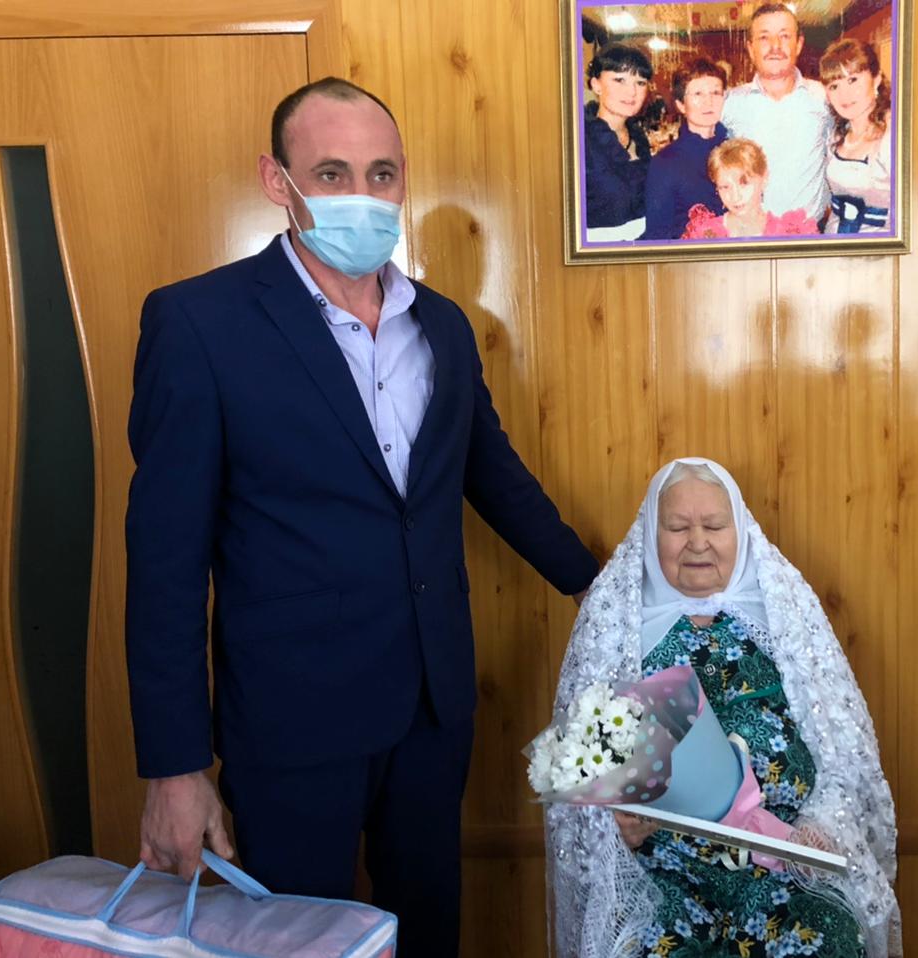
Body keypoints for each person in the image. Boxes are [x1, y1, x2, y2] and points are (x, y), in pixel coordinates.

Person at [125, 76, 599, 958]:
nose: (362, 196)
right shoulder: (198, 323)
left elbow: (493, 477)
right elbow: (164, 565)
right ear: (278, 181)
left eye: (381, 174)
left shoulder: (443, 326)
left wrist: (598, 585)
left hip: (432, 706)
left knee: (428, 931)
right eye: (332, 174)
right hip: (291, 720)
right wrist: (175, 765)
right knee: (291, 944)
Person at [546, 458, 901, 958]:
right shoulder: (615, 628)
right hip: (663, 874)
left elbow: (846, 759)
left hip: (781, 864)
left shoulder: (786, 614)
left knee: (829, 939)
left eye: (713, 526)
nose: (697, 542)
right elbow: (578, 790)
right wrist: (616, 827)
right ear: (651, 535)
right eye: (677, 528)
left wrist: (820, 828)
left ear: (741, 532)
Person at [721, 3, 832, 229]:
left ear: (798, 44)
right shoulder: (729, 103)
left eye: (784, 36)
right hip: (751, 235)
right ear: (750, 48)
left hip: (811, 235)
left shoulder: (824, 97)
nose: (775, 46)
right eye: (764, 37)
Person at [641, 58, 729, 240]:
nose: (709, 102)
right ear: (681, 105)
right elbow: (657, 234)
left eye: (715, 92)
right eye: (698, 94)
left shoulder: (735, 150)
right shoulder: (665, 163)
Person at [820, 38, 894, 234]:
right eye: (834, 86)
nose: (844, 94)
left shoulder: (893, 137)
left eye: (852, 80)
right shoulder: (836, 135)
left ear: (876, 79)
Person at [583, 43, 653, 242]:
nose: (632, 92)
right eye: (620, 80)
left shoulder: (639, 137)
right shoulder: (580, 141)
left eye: (640, 82)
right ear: (596, 85)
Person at [683, 139, 813, 239]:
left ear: (764, 178)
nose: (735, 196)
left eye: (744, 184)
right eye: (725, 187)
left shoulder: (788, 234)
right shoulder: (703, 234)